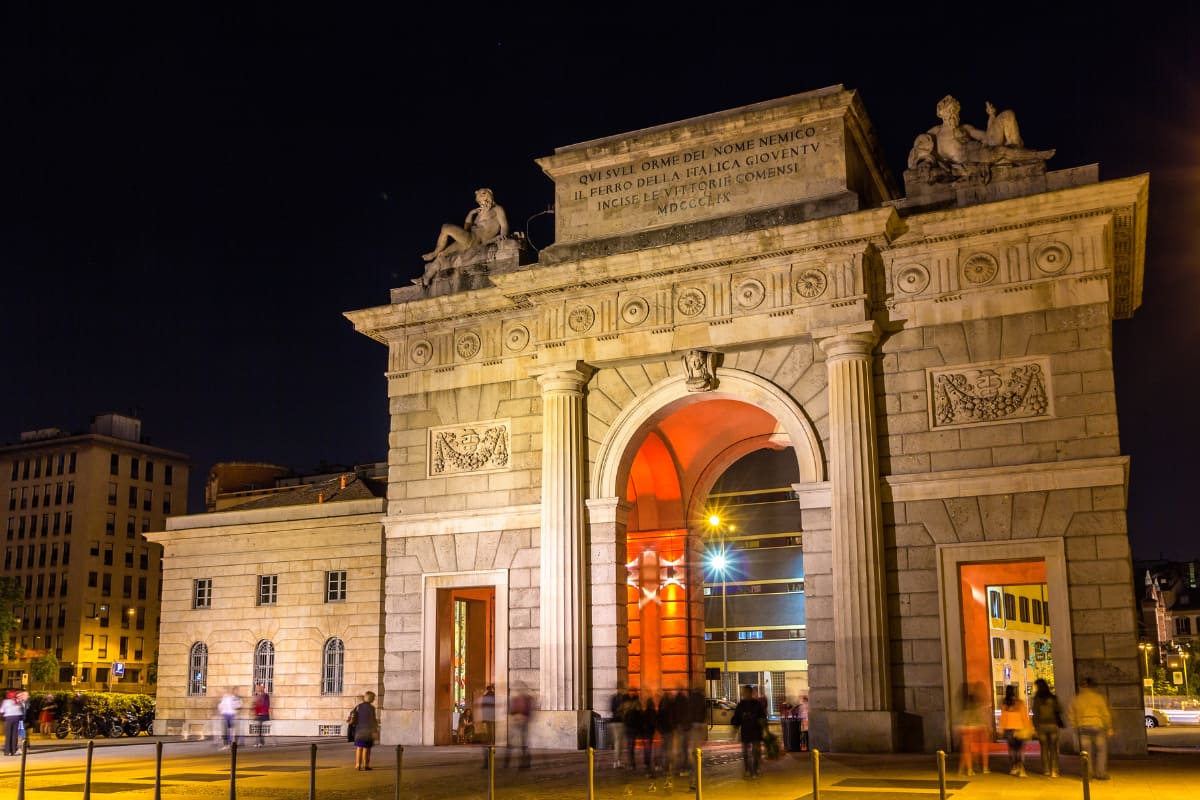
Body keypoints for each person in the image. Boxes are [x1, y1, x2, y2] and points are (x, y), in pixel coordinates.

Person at [416, 187, 509, 283]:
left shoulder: (497, 209)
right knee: (442, 255)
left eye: (483, 200)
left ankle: (433, 253)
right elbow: (466, 229)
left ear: (489, 197)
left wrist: (503, 235)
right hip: (468, 238)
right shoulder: (479, 214)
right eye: (480, 202)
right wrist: (471, 213)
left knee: (446, 227)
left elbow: (504, 225)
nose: (482, 203)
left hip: (475, 239)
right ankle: (425, 278)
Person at [1069, 677, 1114, 781]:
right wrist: (1109, 727)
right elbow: (1105, 713)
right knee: (1101, 750)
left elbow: (1071, 714)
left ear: (1081, 686)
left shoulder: (1076, 699)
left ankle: (1088, 774)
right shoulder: (1098, 698)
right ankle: (1101, 773)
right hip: (1097, 725)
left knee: (1086, 752)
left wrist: (1075, 726)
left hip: (1082, 727)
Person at [1030, 678, 1064, 777]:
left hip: (1041, 726)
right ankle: (1054, 770)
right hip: (1053, 725)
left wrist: (1035, 727)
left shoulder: (1037, 699)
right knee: (1053, 749)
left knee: (1044, 749)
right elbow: (1060, 709)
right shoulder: (1053, 698)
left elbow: (1035, 714)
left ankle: (1046, 770)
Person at [732, 685, 766, 779]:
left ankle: (755, 768)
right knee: (745, 752)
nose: (745, 694)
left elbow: (762, 716)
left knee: (755, 751)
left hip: (755, 731)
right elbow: (737, 717)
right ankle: (747, 769)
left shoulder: (756, 704)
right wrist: (735, 725)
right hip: (746, 731)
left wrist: (763, 727)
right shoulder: (741, 704)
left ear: (751, 693)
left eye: (747, 692)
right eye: (744, 692)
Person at [998, 684, 1030, 777]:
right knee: (1019, 749)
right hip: (1019, 729)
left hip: (1008, 729)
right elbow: (1025, 717)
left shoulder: (1005, 704)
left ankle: (1014, 767)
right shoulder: (1020, 702)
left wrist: (1001, 729)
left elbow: (1003, 718)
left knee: (1012, 749)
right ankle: (1022, 769)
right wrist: (1027, 727)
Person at [351, 691, 379, 770]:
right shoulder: (371, 708)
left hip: (358, 730)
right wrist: (375, 731)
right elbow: (372, 720)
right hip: (367, 731)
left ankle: (357, 765)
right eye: (373, 698)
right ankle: (366, 765)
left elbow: (354, 717)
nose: (374, 699)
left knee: (359, 748)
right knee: (366, 748)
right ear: (371, 698)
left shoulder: (359, 706)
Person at [505, 688, 533, 768]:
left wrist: (522, 717)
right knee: (514, 743)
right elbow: (511, 711)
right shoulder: (516, 700)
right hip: (517, 723)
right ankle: (509, 762)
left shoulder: (526, 700)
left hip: (522, 723)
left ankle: (525, 762)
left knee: (522, 744)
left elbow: (528, 712)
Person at [477, 684, 496, 768]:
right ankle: (491, 742)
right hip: (493, 718)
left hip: (487, 718)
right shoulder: (495, 696)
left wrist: (483, 719)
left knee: (488, 734)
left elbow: (483, 708)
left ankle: (490, 743)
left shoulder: (484, 697)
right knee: (491, 734)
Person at [2, 691, 23, 756]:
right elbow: (21, 710)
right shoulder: (18, 701)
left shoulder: (6, 701)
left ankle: (7, 751)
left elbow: (2, 710)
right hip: (17, 718)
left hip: (8, 718)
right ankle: (14, 750)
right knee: (14, 735)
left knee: (8, 735)